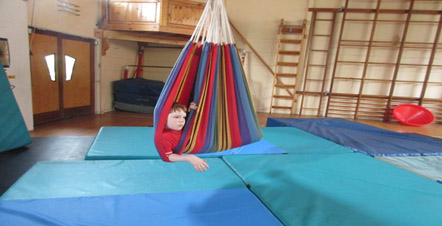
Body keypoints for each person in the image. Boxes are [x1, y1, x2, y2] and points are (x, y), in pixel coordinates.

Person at [162, 102, 209, 172]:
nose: (182, 120)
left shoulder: (179, 126)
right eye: (176, 117)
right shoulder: (165, 137)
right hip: (198, 145)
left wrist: (190, 110)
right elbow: (169, 157)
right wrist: (189, 158)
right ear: (163, 118)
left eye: (184, 117)